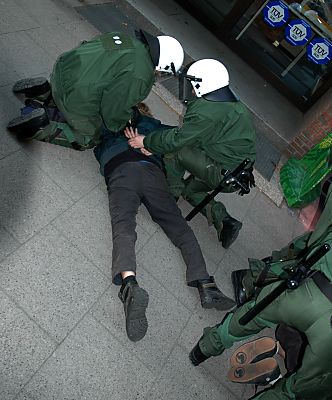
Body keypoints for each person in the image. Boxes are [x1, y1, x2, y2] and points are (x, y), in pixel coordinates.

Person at [93, 104, 236, 342]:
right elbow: (182, 142)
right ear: (149, 113)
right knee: (180, 229)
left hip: (121, 169)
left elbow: (92, 136)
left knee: (124, 226)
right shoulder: (157, 128)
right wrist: (150, 142)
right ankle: (205, 283)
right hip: (152, 173)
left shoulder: (113, 119)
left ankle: (129, 283)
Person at [188, 185, 332, 400]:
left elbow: (322, 229)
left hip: (310, 289)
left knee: (252, 314)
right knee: (298, 389)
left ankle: (203, 350)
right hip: (328, 336)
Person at [127, 59, 256, 248]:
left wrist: (146, 141)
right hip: (234, 171)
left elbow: (179, 140)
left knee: (178, 151)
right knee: (189, 191)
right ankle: (226, 222)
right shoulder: (228, 101)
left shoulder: (207, 110)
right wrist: (156, 146)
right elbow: (198, 135)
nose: (192, 90)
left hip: (223, 172)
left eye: (194, 84)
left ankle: (166, 203)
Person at [6, 30, 184, 150]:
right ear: (163, 66)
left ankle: (44, 90)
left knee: (88, 89)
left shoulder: (124, 37)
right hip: (75, 93)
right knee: (90, 137)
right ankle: (40, 126)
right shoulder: (141, 76)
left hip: (62, 71)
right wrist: (122, 125)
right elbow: (112, 108)